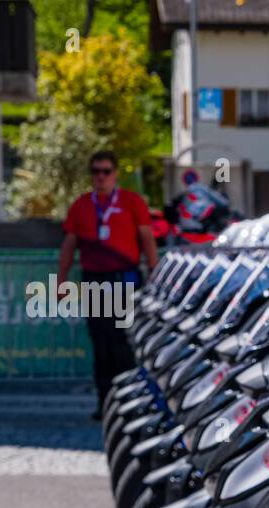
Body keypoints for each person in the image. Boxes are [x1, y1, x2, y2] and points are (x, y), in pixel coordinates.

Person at [57, 150, 159, 418]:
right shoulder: (81, 205)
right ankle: (105, 404)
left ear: (115, 174)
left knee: (123, 344)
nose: (100, 177)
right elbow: (69, 245)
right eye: (95, 171)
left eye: (105, 171)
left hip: (124, 280)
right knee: (101, 346)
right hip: (95, 281)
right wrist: (60, 280)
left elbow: (147, 239)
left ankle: (130, 405)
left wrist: (154, 273)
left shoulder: (132, 202)